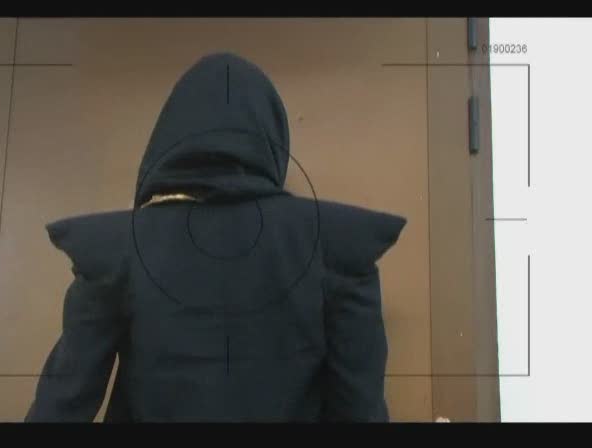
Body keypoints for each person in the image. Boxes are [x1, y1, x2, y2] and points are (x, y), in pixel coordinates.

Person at [24, 52, 406, 422]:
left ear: (171, 135)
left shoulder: (116, 250)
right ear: (271, 136)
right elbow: (360, 409)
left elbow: (63, 404)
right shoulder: (337, 246)